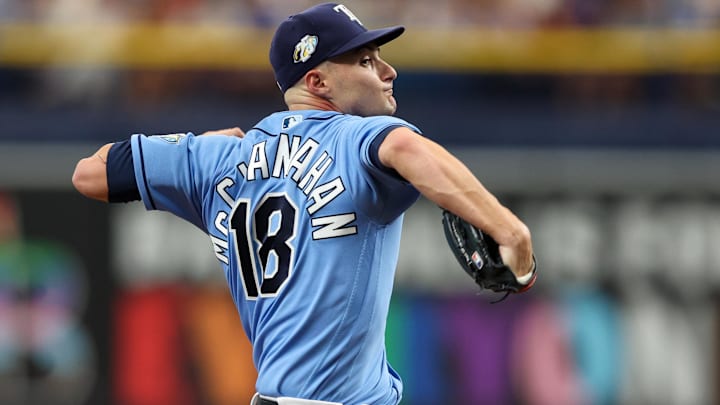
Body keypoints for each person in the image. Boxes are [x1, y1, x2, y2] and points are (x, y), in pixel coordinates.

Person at [71, 3, 535, 404]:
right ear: (318, 81)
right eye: (367, 61)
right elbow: (408, 150)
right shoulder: (355, 136)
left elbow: (89, 174)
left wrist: (196, 148)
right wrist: (509, 230)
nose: (388, 72)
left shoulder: (219, 159)